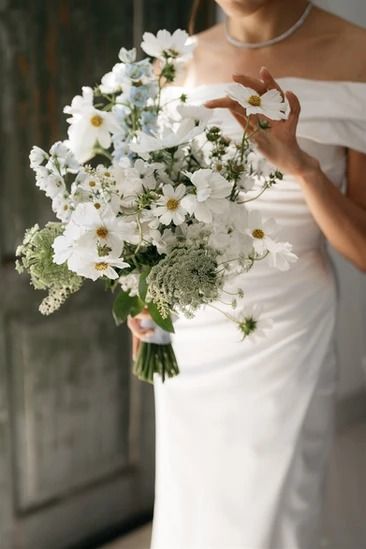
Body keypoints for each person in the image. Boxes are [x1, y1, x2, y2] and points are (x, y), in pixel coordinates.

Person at [128, 1, 366, 547]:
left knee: (274, 515)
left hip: (284, 334)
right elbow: (161, 208)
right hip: (191, 331)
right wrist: (146, 296)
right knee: (194, 506)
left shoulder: (357, 55)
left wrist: (303, 169)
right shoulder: (180, 57)